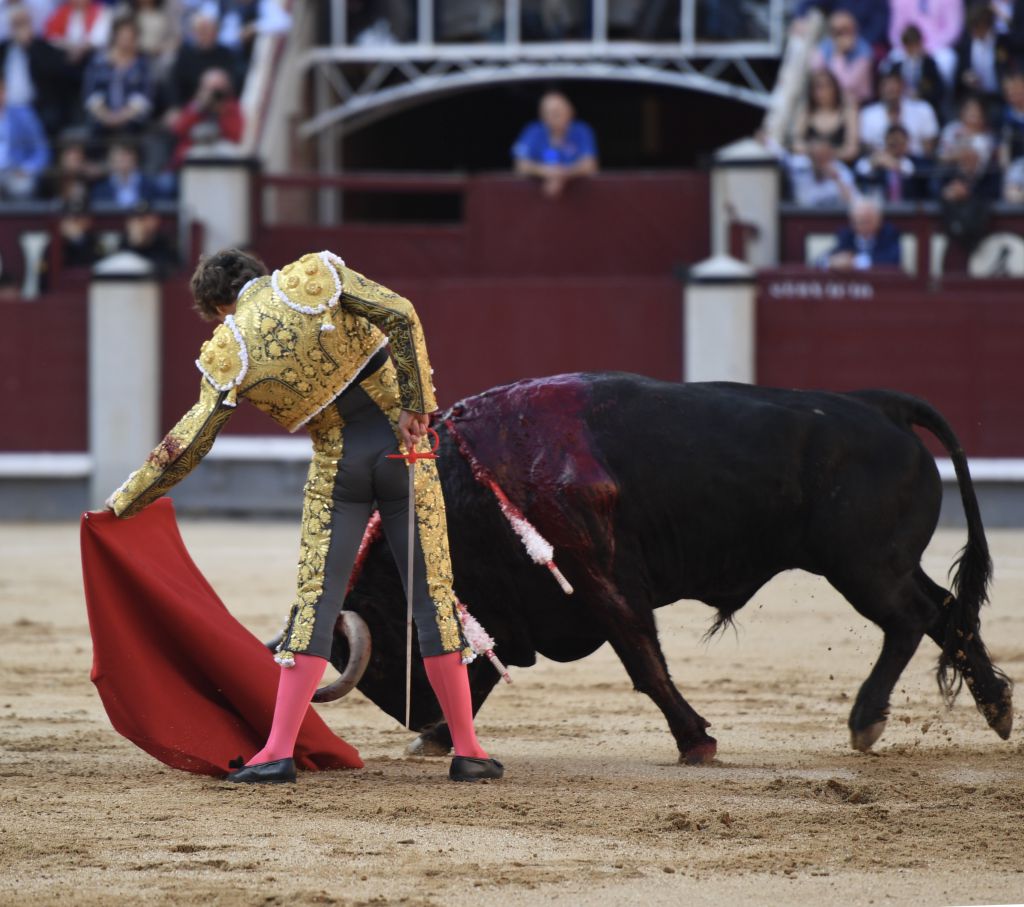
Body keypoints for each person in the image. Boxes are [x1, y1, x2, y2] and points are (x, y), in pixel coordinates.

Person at [103, 248, 504, 786]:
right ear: (257, 273)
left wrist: (126, 500)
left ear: (220, 305)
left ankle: (277, 751)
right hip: (404, 452)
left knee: (316, 603)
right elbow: (401, 313)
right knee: (432, 597)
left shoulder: (231, 343)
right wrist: (417, 402)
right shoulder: (315, 275)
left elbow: (190, 441)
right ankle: (468, 749)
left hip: (339, 471)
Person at [512, 89, 598, 197]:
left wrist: (563, 174)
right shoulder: (533, 131)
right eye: (549, 113)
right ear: (542, 115)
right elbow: (520, 165)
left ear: (570, 111)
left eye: (557, 112)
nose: (553, 117)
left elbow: (590, 165)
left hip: (580, 200)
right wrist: (546, 172)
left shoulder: (581, 131)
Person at [0, 4, 67, 136]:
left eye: (23, 23)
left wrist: (29, 47)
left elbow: (50, 72)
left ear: (30, 23)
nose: (19, 29)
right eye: (15, 24)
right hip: (7, 109)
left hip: (35, 107)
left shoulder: (42, 47)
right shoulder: (4, 49)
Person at [82, 15, 153, 136]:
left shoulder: (142, 64)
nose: (126, 41)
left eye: (130, 37)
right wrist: (106, 116)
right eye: (122, 36)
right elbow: (90, 93)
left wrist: (121, 117)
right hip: (101, 119)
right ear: (115, 36)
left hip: (132, 121)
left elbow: (145, 95)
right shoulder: (98, 62)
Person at [167, 65, 242, 167]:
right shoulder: (195, 106)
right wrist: (198, 108)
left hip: (220, 162)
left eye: (218, 89)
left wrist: (222, 111)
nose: (214, 94)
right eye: (210, 88)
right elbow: (178, 130)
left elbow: (235, 136)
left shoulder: (233, 107)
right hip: (190, 161)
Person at [166, 10, 238, 109]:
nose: (205, 34)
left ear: (216, 32)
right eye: (201, 30)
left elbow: (232, 84)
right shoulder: (185, 55)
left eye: (209, 30)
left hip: (219, 107)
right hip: (190, 107)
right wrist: (176, 107)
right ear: (194, 33)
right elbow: (175, 84)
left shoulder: (226, 54)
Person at [860, 69, 940, 156]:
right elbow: (866, 147)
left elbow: (928, 148)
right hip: (880, 163)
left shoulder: (923, 109)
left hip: (916, 163)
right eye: (886, 85)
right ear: (879, 88)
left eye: (894, 85)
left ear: (902, 86)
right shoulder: (867, 114)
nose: (890, 89)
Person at [791, 68, 859, 163]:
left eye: (828, 86)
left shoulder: (848, 111)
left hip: (839, 166)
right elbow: (796, 143)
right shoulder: (807, 111)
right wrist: (814, 151)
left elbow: (852, 150)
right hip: (811, 165)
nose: (824, 91)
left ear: (835, 88)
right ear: (812, 91)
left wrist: (828, 154)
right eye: (819, 87)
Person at [0, 73, 50, 198]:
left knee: (23, 187)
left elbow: (41, 150)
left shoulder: (23, 115)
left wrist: (27, 169)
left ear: (4, 91)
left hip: (15, 171)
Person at [879, 24, 945, 117]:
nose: (912, 48)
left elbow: (939, 91)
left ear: (920, 43)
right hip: (900, 106)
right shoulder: (896, 66)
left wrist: (920, 95)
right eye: (909, 45)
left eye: (914, 44)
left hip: (923, 105)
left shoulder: (929, 65)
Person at [809, 10, 874, 104]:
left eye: (844, 30)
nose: (840, 36)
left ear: (853, 30)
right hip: (829, 102)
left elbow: (846, 84)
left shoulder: (864, 51)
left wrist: (839, 54)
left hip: (859, 104)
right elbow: (816, 73)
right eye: (836, 31)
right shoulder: (824, 46)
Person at [954, 2, 1010, 106]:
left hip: (1001, 98)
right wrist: (966, 77)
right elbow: (960, 73)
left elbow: (1009, 70)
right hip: (977, 97)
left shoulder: (1003, 42)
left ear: (986, 26)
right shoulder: (967, 45)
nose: (974, 33)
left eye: (977, 28)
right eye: (972, 29)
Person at [824, 197, 902, 270]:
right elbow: (826, 258)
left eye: (867, 221)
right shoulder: (846, 235)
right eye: (859, 222)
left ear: (878, 220)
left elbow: (891, 260)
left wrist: (854, 262)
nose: (863, 226)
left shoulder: (889, 233)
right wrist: (832, 261)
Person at [854, 124, 922, 202]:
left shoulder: (911, 160)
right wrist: (874, 162)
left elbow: (909, 170)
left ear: (906, 143)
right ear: (886, 140)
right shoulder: (877, 157)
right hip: (879, 205)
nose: (897, 146)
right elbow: (861, 169)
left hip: (906, 207)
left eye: (900, 142)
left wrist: (892, 163)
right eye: (893, 142)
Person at [785, 135, 856, 207]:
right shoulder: (800, 167)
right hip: (804, 215)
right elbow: (803, 201)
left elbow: (852, 202)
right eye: (817, 157)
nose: (821, 162)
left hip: (834, 215)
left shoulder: (841, 170)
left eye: (824, 156)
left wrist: (837, 179)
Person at [90, 138, 159, 206]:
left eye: (126, 155)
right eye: (118, 156)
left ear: (135, 158)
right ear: (110, 160)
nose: (122, 160)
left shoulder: (150, 186)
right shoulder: (100, 190)